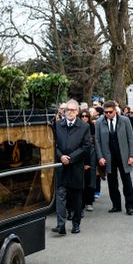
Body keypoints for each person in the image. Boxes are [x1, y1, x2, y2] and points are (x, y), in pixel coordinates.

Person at [53, 100, 93, 235]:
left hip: (75, 167)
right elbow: (53, 145)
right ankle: (60, 225)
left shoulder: (84, 126)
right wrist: (61, 157)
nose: (69, 112)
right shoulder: (58, 125)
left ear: (77, 111)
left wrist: (70, 158)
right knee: (60, 195)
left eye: (72, 110)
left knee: (76, 198)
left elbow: (86, 146)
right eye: (67, 110)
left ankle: (76, 224)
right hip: (61, 167)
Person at [96, 101, 133, 215]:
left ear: (115, 111)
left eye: (110, 112)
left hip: (123, 155)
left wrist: (132, 155)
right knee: (112, 182)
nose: (108, 114)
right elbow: (97, 141)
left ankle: (129, 206)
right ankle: (116, 205)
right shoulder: (100, 122)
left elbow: (130, 138)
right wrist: (100, 157)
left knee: (126, 181)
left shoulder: (125, 120)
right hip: (108, 157)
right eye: (105, 112)